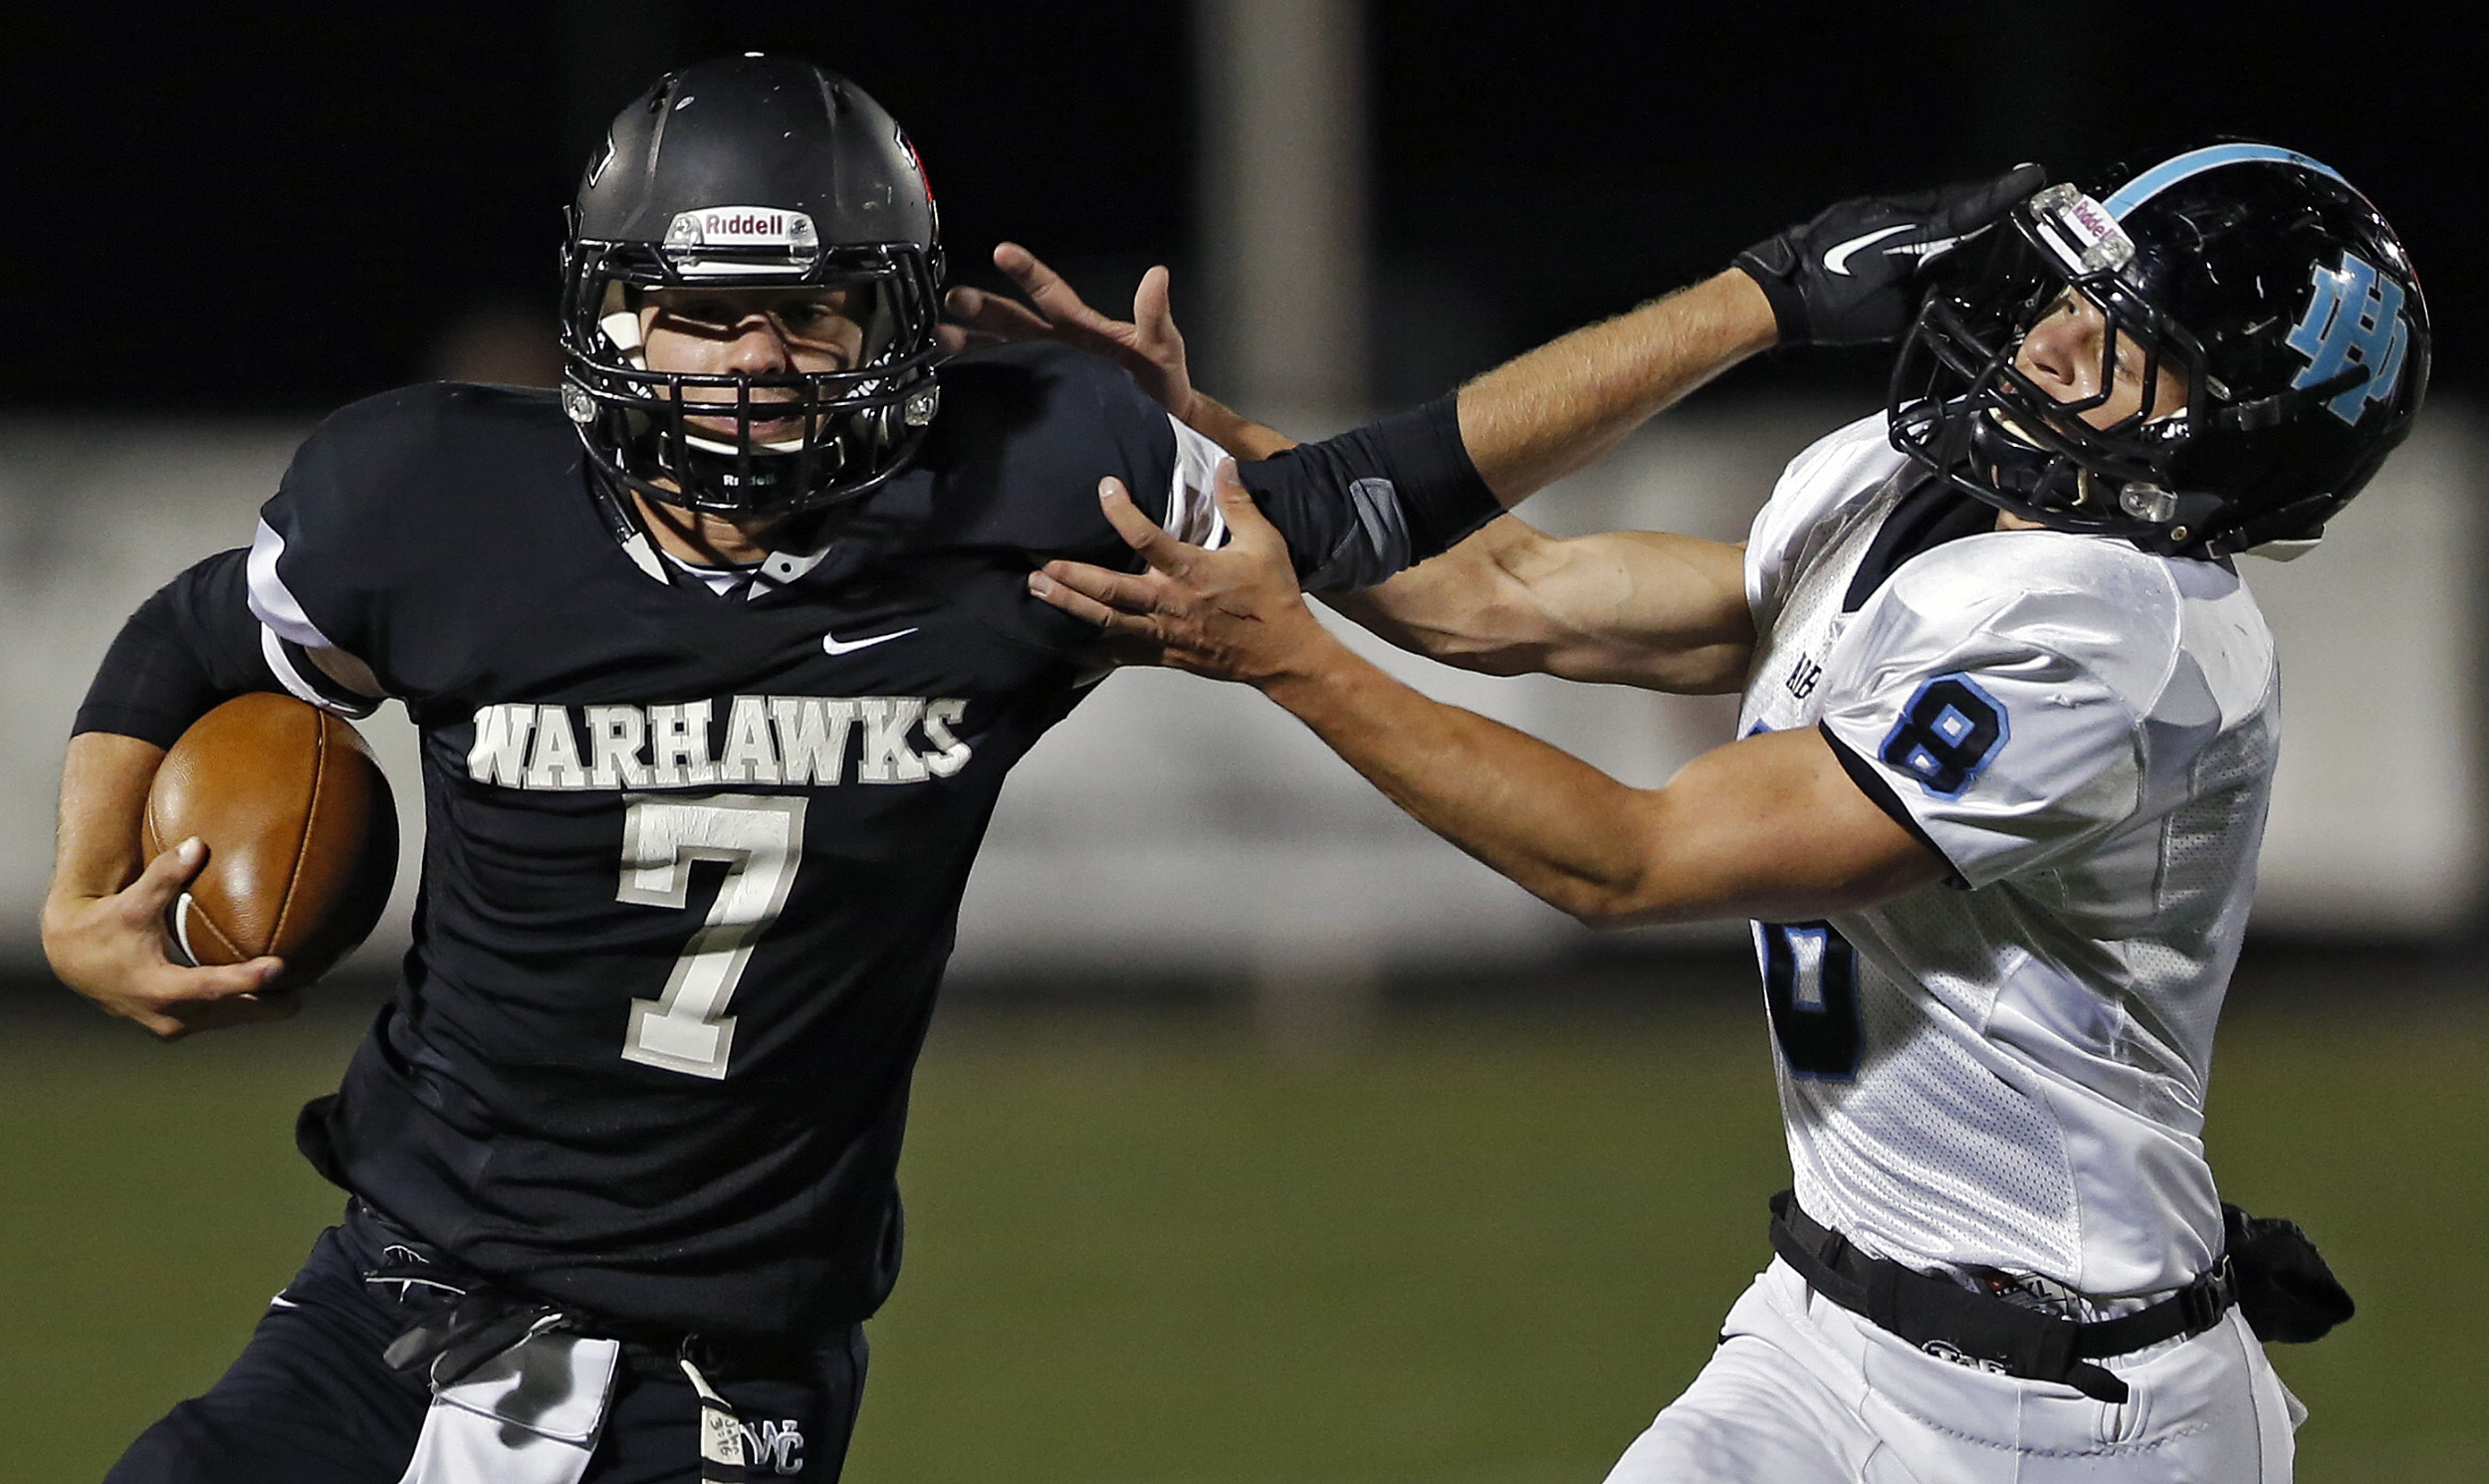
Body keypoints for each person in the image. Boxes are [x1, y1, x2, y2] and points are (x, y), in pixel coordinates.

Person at [33, 52, 1618, 1484]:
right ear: (611, 312)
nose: (758, 365)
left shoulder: (1040, 478)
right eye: (705, 313)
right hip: (400, 1292)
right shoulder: (430, 498)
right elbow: (193, 638)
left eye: (812, 312)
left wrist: (1751, 310)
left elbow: (1377, 504)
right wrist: (77, 895)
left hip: (718, 1368)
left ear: (898, 321)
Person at [1018, 143, 2422, 1480]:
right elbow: (1511, 594)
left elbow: (1635, 861)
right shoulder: (1911, 495)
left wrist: (1285, 653)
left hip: (2078, 1414)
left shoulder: (2121, 636)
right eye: (2070, 293)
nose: (2051, 342)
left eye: (2130, 348)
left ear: (2233, 448)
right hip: (1823, 1329)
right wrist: (1208, 461)